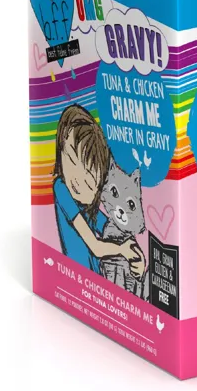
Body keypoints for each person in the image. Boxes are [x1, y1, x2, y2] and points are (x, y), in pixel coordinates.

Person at [53, 104, 145, 277]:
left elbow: (112, 229)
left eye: (88, 181)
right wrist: (123, 250)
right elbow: (95, 247)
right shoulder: (61, 188)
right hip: (76, 276)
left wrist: (137, 257)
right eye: (70, 160)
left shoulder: (90, 207)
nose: (76, 180)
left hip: (96, 276)